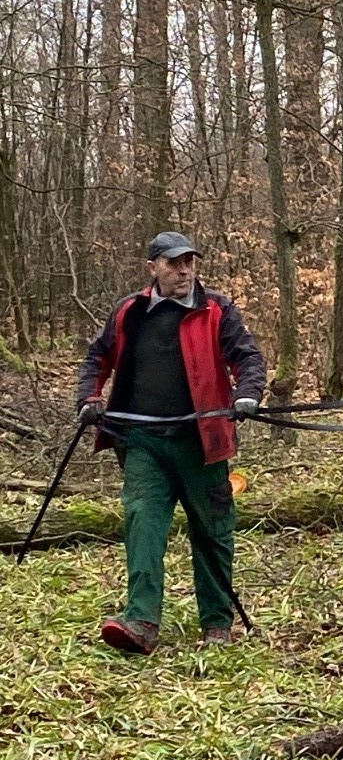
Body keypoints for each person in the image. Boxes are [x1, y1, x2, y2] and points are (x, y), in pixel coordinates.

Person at [75, 232, 267, 655]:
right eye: (174, 263)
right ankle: (141, 621)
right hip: (143, 441)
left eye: (190, 263)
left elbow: (248, 357)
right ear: (153, 268)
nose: (184, 271)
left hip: (203, 442)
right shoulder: (130, 312)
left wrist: (247, 393)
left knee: (212, 530)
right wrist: (89, 399)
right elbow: (97, 357)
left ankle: (217, 623)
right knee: (142, 521)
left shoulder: (217, 309)